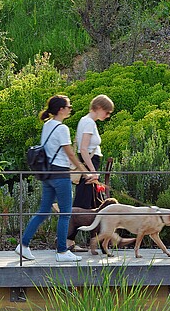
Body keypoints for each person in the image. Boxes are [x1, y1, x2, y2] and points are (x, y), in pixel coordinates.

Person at [17, 95, 96, 263]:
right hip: (60, 174)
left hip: (48, 174)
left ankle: (23, 245)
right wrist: (85, 172)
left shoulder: (47, 125)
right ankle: (62, 251)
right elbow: (70, 154)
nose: (70, 108)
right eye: (68, 106)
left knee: (43, 211)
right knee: (66, 213)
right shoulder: (62, 129)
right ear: (61, 109)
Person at [73, 94, 113, 210]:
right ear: (99, 108)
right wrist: (92, 171)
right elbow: (84, 148)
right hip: (90, 163)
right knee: (85, 204)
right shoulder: (89, 122)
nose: (107, 115)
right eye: (107, 112)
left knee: (89, 201)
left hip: (88, 163)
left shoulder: (85, 120)